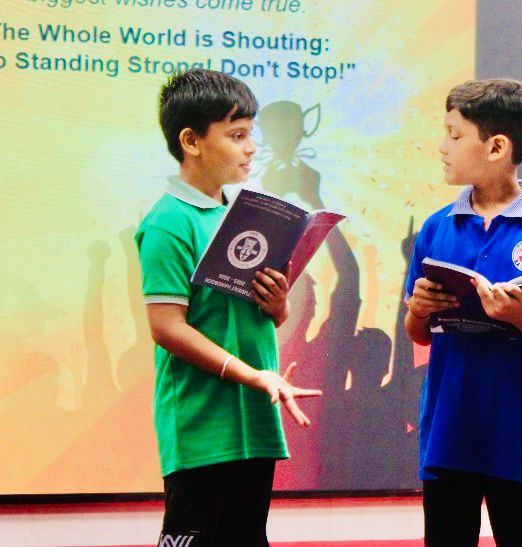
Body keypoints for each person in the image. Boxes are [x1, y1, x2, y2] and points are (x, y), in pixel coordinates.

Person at [135, 68, 321, 547]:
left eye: (251, 135)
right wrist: (252, 375)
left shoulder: (239, 216)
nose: (251, 148)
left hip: (254, 425)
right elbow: (167, 327)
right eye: (237, 136)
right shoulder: (168, 221)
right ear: (191, 141)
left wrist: (276, 305)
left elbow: (255, 319)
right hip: (203, 430)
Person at [404, 79, 522, 547]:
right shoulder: (436, 227)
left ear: (496, 147)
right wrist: (420, 310)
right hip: (449, 434)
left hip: (521, 437)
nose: (442, 147)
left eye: (454, 135)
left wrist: (516, 315)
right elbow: (419, 334)